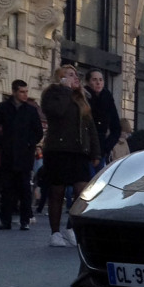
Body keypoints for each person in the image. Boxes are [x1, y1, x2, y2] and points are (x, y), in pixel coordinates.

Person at [40, 63, 98, 246]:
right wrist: (65, 90)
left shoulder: (81, 98)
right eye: (69, 75)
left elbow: (90, 126)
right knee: (57, 191)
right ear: (60, 78)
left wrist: (95, 150)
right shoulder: (52, 94)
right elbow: (57, 112)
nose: (74, 78)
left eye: (75, 75)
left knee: (82, 191)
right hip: (58, 150)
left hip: (79, 151)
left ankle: (70, 227)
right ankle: (55, 233)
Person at [0, 80, 43, 230]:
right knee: (7, 189)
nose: (25, 95)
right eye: (22, 92)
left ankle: (24, 220)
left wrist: (30, 143)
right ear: (14, 92)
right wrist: (2, 142)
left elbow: (38, 131)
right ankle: (5, 220)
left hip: (24, 155)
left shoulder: (31, 110)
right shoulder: (4, 108)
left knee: (24, 189)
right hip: (8, 154)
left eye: (26, 91)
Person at [84, 69, 122, 166]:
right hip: (85, 149)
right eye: (94, 80)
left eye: (101, 80)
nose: (98, 83)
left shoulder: (107, 98)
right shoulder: (82, 97)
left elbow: (116, 127)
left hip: (101, 149)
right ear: (88, 82)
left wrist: (106, 147)